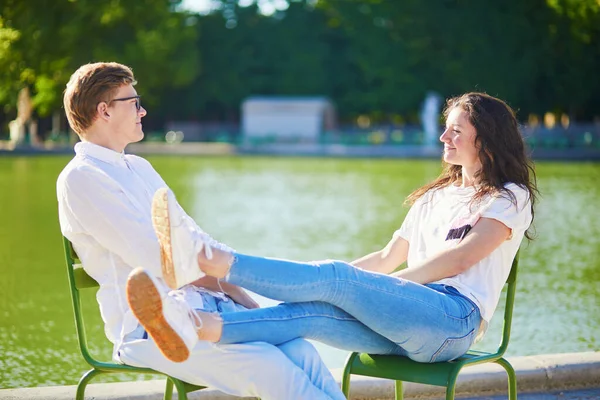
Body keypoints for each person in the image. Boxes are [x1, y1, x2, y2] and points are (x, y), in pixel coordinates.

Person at [127, 92, 538, 365]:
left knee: (337, 280)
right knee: (316, 313)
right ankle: (194, 327)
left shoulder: (509, 196)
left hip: (452, 320)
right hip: (406, 321)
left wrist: (368, 288)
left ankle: (204, 258)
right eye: (446, 126)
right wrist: (349, 287)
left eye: (456, 130)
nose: (443, 135)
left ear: (486, 139)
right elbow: (385, 258)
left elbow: (460, 259)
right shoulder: (434, 197)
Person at [57, 62, 347, 400]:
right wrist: (234, 286)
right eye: (134, 102)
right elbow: (158, 259)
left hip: (208, 307)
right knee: (270, 366)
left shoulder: (138, 167)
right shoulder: (82, 178)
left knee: (302, 351)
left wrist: (233, 283)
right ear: (104, 111)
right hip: (149, 329)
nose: (143, 110)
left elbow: (196, 241)